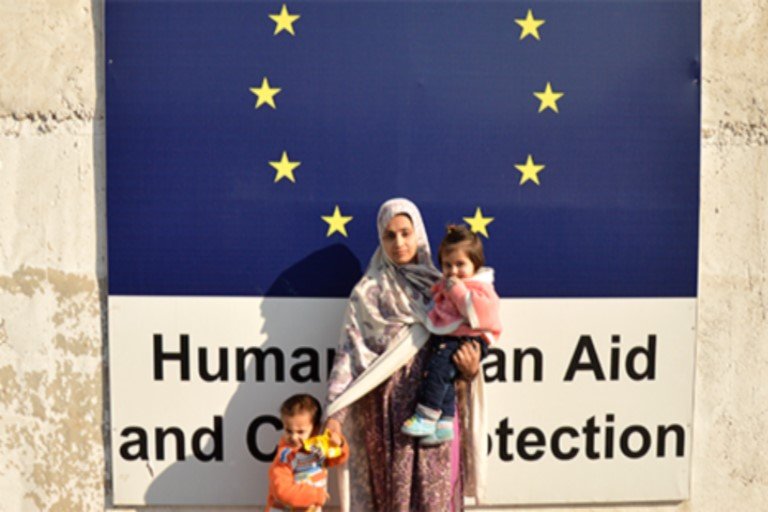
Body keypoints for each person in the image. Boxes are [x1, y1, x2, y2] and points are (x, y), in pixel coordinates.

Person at [323, 198, 486, 512]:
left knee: (436, 499)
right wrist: (335, 417)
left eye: (405, 233)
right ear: (380, 241)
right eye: (389, 235)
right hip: (388, 417)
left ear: (418, 234)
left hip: (438, 412)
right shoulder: (368, 293)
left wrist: (471, 367)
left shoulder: (446, 289)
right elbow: (350, 357)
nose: (399, 243)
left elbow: (473, 337)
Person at [402, 224, 501, 445]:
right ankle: (445, 422)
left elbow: (480, 312)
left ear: (475, 264)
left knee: (437, 372)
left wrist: (455, 289)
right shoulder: (450, 283)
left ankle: (427, 415)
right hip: (454, 339)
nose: (453, 271)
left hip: (468, 340)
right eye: (447, 265)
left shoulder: (479, 287)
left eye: (460, 264)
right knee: (445, 378)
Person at [266, 394, 349, 512]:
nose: (294, 437)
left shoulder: (317, 449)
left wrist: (339, 443)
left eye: (300, 432)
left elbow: (338, 458)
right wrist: (316, 496)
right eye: (289, 431)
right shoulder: (285, 457)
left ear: (315, 429)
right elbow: (282, 491)